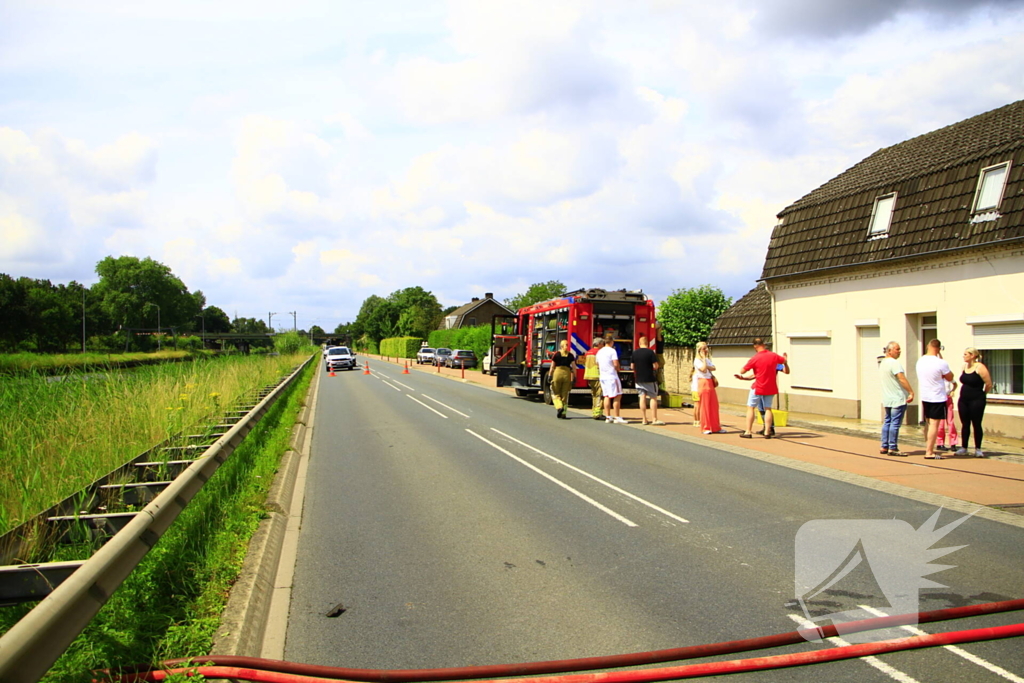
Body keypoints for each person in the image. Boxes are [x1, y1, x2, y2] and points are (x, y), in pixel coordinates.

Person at [735, 337, 788, 439]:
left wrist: (744, 373)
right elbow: (783, 360)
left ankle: (748, 431)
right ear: (763, 344)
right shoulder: (773, 355)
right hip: (771, 387)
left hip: (758, 386)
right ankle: (767, 432)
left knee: (751, 407)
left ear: (755, 346)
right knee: (768, 408)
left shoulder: (755, 358)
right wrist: (785, 359)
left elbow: (742, 371)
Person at [915, 339, 953, 459]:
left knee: (928, 422)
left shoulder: (920, 360)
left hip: (925, 395)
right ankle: (929, 451)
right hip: (937, 396)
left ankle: (928, 446)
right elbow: (950, 377)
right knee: (934, 424)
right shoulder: (941, 363)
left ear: (928, 346)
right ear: (939, 349)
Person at [956, 347, 994, 457]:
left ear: (972, 355)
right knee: (965, 424)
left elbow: (988, 384)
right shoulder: (964, 367)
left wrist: (982, 394)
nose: (964, 356)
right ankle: (964, 448)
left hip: (976, 399)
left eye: (966, 354)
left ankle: (978, 449)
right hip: (964, 399)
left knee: (976, 423)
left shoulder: (980, 367)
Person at [879, 341, 914, 457]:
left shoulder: (883, 363)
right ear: (889, 351)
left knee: (888, 422)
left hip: (888, 398)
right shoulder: (894, 363)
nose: (899, 351)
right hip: (897, 398)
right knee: (894, 423)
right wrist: (911, 392)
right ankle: (892, 447)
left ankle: (884, 445)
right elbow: (901, 378)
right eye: (897, 349)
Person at [632, 336, 664, 426]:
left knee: (642, 398)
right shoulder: (650, 352)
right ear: (647, 343)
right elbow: (655, 366)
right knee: (653, 398)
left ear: (639, 343)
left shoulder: (635, 353)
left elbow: (632, 366)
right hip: (649, 378)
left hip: (639, 379)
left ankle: (644, 419)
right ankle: (654, 419)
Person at [693, 341, 722, 434]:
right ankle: (705, 427)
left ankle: (716, 427)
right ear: (699, 350)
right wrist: (704, 359)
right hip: (703, 382)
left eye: (706, 348)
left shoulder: (708, 359)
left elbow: (714, 368)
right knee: (704, 405)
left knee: (714, 405)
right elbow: (703, 369)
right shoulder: (697, 360)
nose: (706, 350)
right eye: (704, 348)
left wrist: (706, 363)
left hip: (710, 382)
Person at [596, 336, 626, 424]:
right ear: (612, 342)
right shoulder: (612, 351)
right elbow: (615, 363)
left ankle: (608, 416)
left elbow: (597, 364)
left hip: (603, 376)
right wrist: (618, 369)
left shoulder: (599, 351)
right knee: (617, 395)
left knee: (606, 396)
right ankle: (617, 417)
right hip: (612, 376)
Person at [547, 339, 575, 419]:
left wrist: (550, 375)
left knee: (555, 393)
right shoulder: (571, 355)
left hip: (557, 374)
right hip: (567, 375)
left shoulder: (556, 354)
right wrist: (574, 378)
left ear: (561, 346)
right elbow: (574, 368)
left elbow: (552, 367)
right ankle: (563, 414)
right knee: (564, 394)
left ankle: (559, 407)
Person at [583, 338, 605, 420]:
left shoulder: (588, 352)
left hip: (589, 376)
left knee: (594, 395)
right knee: (599, 395)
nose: (603, 346)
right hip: (597, 376)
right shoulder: (599, 352)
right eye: (602, 344)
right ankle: (598, 413)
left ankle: (594, 411)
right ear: (599, 344)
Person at [935, 377, 958, 452]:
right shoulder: (936, 376)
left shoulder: (947, 376)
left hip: (947, 398)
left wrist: (952, 391)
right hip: (939, 399)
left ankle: (953, 443)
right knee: (941, 422)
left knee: (950, 421)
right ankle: (940, 443)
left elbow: (955, 384)